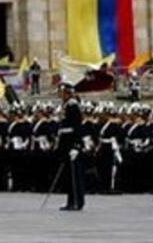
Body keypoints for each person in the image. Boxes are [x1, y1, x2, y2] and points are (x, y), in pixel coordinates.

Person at [56, 83, 85, 211]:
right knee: (68, 175)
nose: (59, 94)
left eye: (61, 92)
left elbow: (77, 127)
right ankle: (70, 200)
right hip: (65, 143)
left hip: (72, 143)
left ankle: (77, 202)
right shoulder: (66, 105)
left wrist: (76, 145)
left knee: (74, 175)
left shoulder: (73, 106)